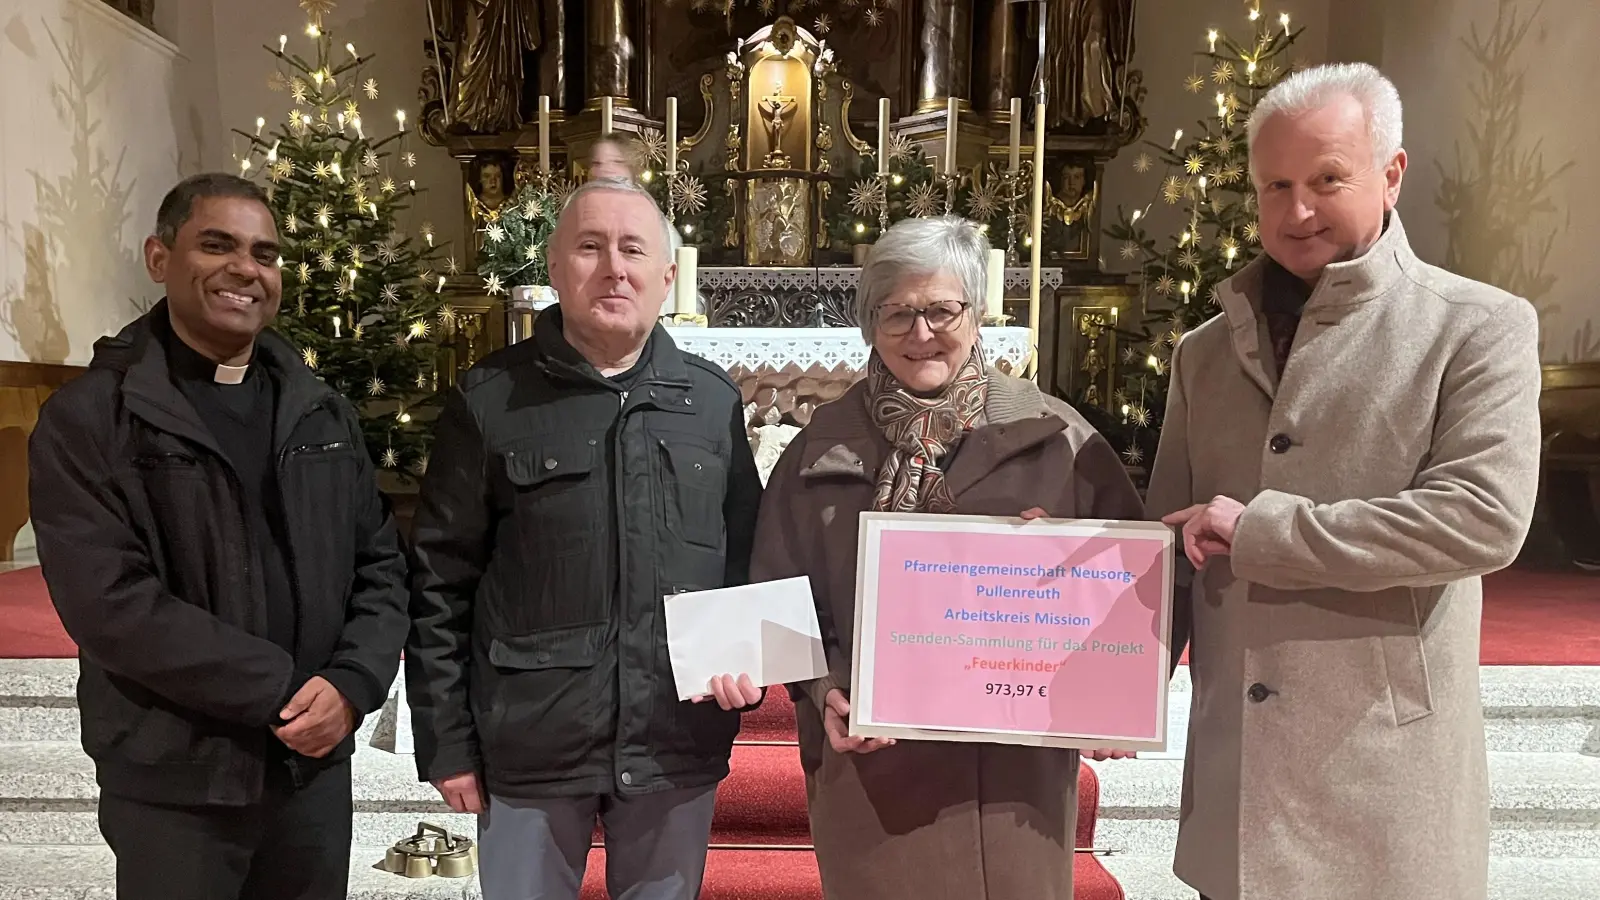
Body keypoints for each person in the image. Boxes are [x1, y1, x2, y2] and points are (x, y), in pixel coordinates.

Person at [1146, 63, 1543, 900]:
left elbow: (1481, 520)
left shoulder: (1478, 327)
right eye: (1274, 186)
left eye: (1328, 179)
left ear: (1391, 173)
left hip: (1381, 776)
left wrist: (1264, 533)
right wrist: (1103, 681)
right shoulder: (1204, 353)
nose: (1296, 213)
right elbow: (1166, 552)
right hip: (1240, 778)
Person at [27, 173, 410, 900]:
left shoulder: (319, 410)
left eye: (265, 255)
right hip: (176, 773)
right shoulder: (93, 419)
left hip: (310, 773)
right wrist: (281, 690)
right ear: (158, 257)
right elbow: (109, 603)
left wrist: (353, 685)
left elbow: (381, 564)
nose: (246, 269)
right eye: (217, 245)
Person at [750, 216, 1144, 900]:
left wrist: (1114, 694)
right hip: (874, 775)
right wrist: (826, 690)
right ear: (869, 322)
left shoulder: (1056, 438)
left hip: (1013, 781)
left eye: (940, 309)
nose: (920, 332)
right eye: (896, 312)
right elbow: (774, 598)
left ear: (977, 312)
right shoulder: (819, 449)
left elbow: (1132, 588)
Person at [406, 176, 764, 900]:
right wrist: (446, 742)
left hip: (675, 738)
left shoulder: (711, 401)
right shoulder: (490, 400)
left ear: (667, 276)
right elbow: (439, 583)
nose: (613, 267)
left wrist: (745, 659)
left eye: (633, 249)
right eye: (590, 247)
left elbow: (748, 560)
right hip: (530, 743)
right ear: (553, 266)